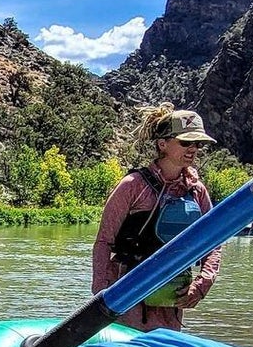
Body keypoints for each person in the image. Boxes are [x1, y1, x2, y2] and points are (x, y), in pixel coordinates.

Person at [92, 107, 222, 332]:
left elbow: (214, 243)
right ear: (163, 144)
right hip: (127, 293)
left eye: (197, 144)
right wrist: (101, 295)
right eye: (185, 142)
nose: (193, 149)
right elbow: (104, 241)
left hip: (171, 297)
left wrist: (201, 285)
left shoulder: (196, 191)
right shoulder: (133, 186)